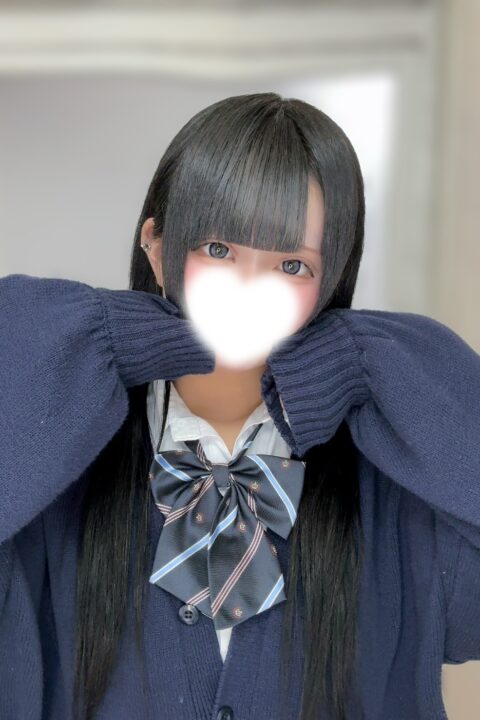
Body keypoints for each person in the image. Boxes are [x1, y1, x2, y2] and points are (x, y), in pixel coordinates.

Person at [1, 92, 479, 720]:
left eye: (292, 264)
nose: (249, 288)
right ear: (156, 245)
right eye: (219, 250)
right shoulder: (48, 467)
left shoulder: (394, 488)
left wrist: (374, 359)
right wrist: (102, 336)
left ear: (331, 280)